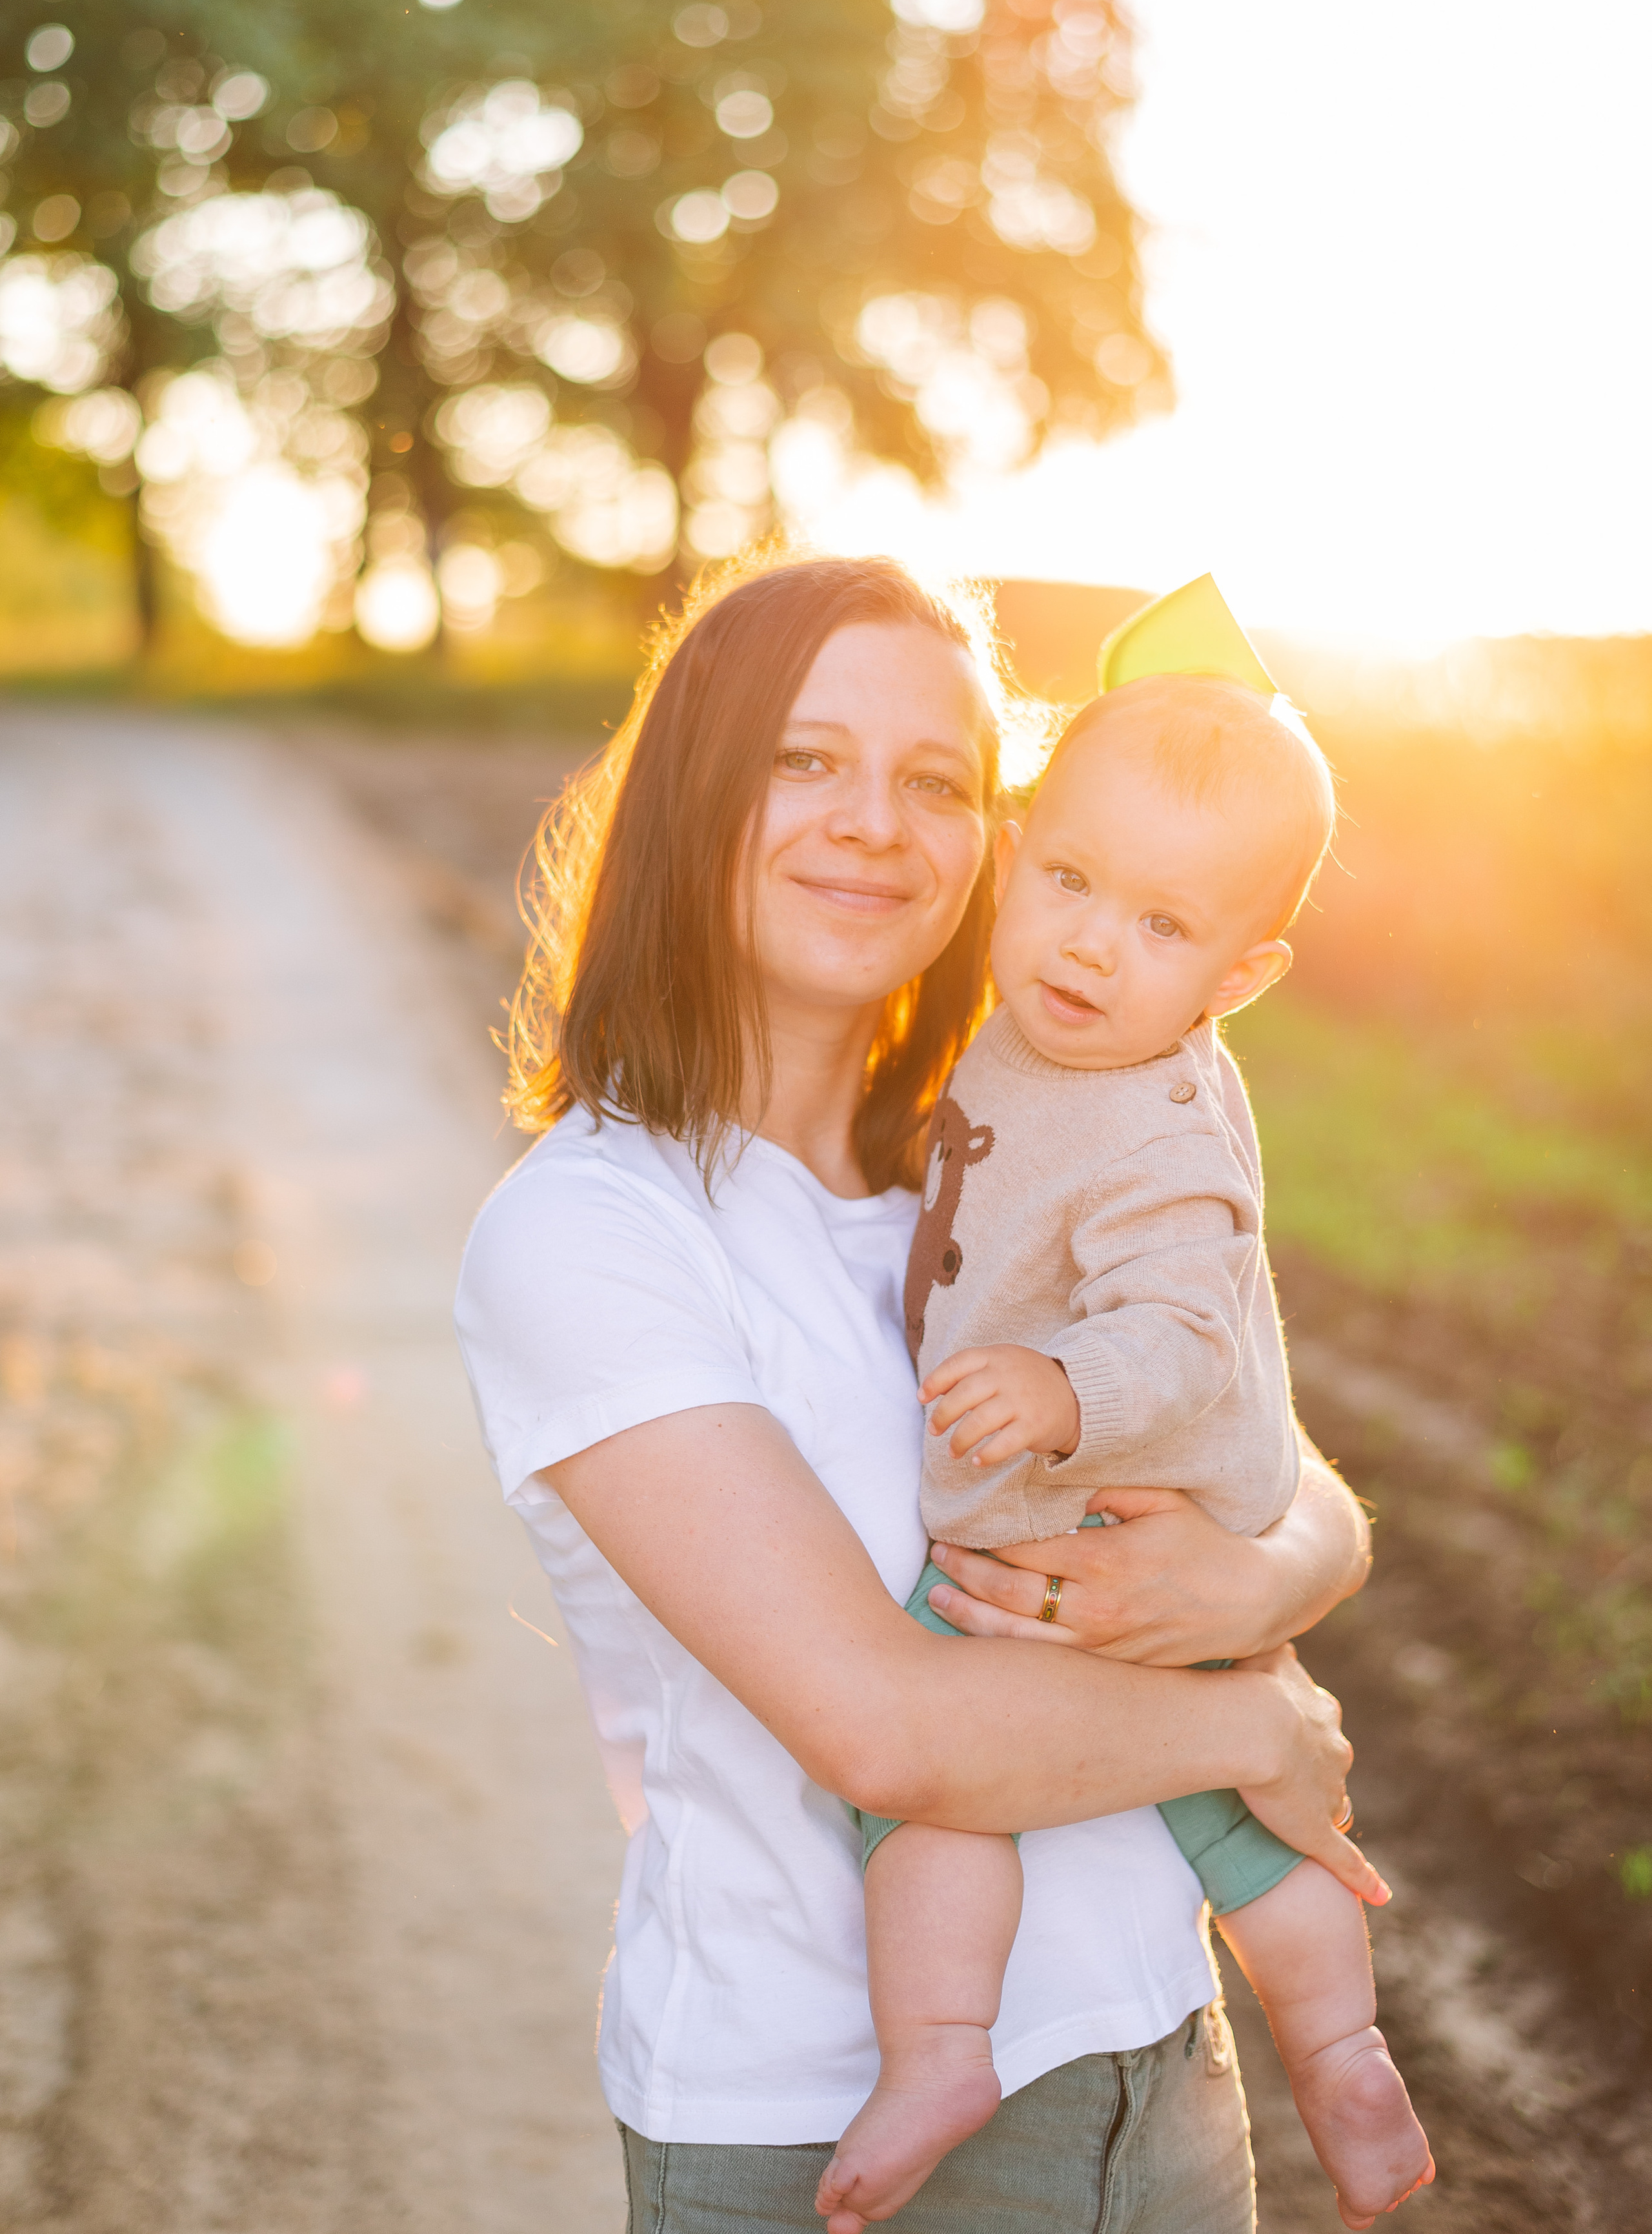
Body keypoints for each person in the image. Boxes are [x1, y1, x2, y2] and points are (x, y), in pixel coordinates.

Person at [454, 555, 1378, 2234]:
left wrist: (1271, 1572)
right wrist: (1254, 1717)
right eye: (806, 759)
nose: (874, 820)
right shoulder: (594, 1229)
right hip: (813, 2122)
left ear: (991, 838)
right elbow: (886, 1724)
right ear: (691, 794)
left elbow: (1263, 1445)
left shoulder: (1002, 1154)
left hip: (1156, 2083)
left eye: (935, 779)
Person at [822, 665, 1433, 2234]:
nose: (1092, 942)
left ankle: (1306, 2049)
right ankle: (1316, 2053)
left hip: (1092, 1509)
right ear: (1016, 855)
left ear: (1243, 974)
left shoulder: (1163, 1127)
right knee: (1214, 1812)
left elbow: (1174, 1332)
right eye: (1071, 882)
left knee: (942, 1798)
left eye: (1160, 926)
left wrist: (1051, 1386)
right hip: (1086, 1516)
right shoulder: (1025, 1026)